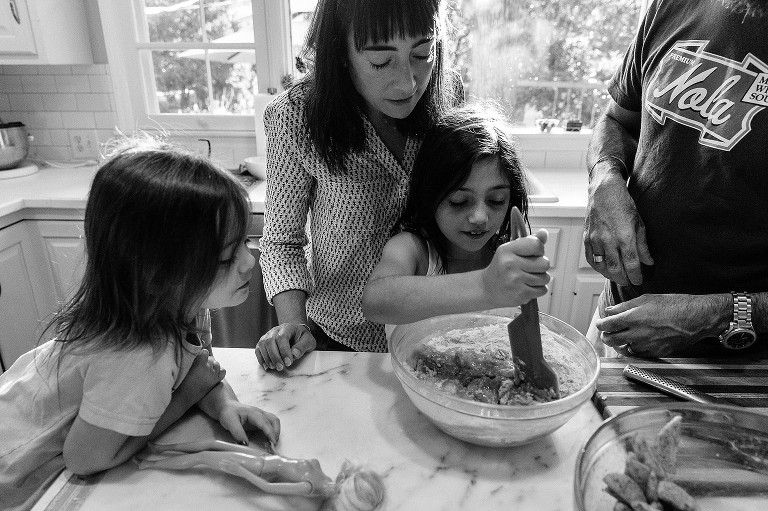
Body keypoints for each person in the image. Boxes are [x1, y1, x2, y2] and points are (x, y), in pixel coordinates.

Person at [0, 139, 281, 511]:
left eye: (244, 241)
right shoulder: (137, 356)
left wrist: (223, 403)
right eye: (227, 257)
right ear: (159, 273)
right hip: (16, 475)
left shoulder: (177, 304)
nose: (249, 262)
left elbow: (199, 368)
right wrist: (184, 399)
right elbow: (86, 458)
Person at [256, 0, 462, 371]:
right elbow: (282, 243)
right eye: (381, 62)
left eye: (422, 53)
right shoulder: (296, 116)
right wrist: (293, 323)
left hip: (428, 333)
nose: (409, 82)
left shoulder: (449, 99)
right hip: (335, 337)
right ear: (339, 53)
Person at [584, 0, 768, 358]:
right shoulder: (672, 4)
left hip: (741, 367)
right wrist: (604, 181)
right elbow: (617, 119)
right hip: (620, 319)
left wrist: (711, 315)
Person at [362, 105, 550, 330]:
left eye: (496, 200)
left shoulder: (508, 258)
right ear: (430, 196)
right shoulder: (413, 250)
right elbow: (375, 302)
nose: (480, 217)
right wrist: (485, 285)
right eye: (459, 201)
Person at [137, 439, 385, 511]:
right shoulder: (328, 480)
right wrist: (276, 453)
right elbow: (292, 464)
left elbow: (269, 488)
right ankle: (160, 449)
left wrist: (241, 471)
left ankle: (149, 465)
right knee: (213, 442)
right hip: (266, 457)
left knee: (203, 457)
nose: (349, 468)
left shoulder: (312, 488)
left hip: (259, 467)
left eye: (354, 475)